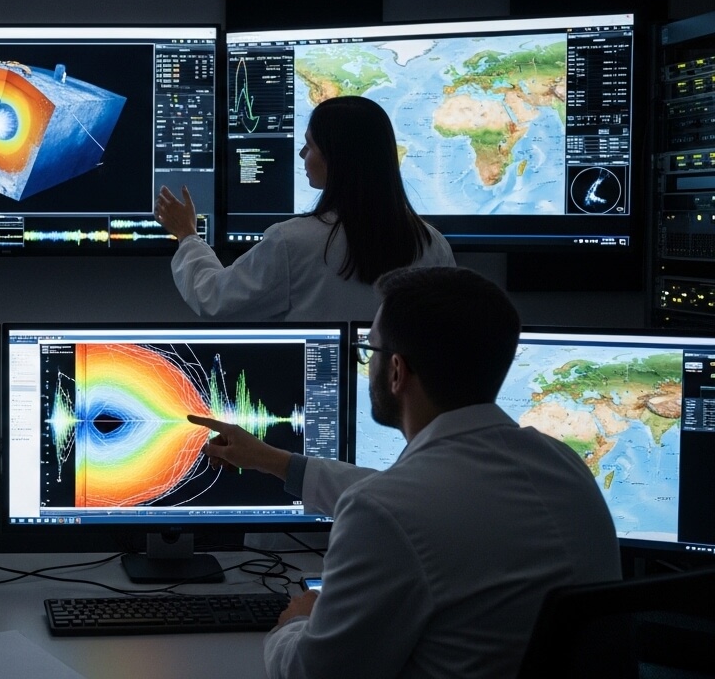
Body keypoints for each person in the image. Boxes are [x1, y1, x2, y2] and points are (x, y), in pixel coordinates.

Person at [188, 266, 621, 679]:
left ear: (397, 371)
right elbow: (429, 508)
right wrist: (274, 460)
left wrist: (294, 623)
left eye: (371, 351)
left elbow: (309, 672)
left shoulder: (386, 513)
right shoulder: (565, 467)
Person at [155, 95, 454, 321]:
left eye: (309, 145)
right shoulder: (432, 244)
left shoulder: (292, 242)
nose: (302, 153)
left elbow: (214, 300)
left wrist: (187, 235)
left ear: (336, 159)